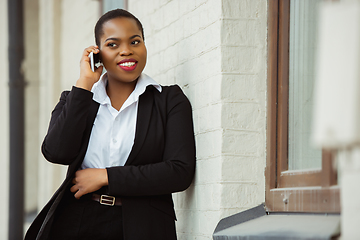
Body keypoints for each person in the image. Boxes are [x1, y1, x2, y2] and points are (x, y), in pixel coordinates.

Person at [25, 9, 196, 240]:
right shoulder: (77, 99)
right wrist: (85, 83)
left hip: (144, 226)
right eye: (113, 44)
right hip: (78, 222)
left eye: (135, 41)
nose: (126, 50)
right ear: (98, 53)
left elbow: (179, 172)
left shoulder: (169, 100)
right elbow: (56, 152)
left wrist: (106, 176)